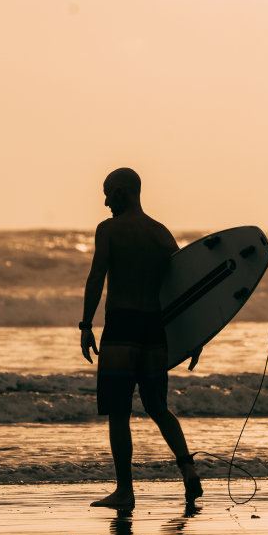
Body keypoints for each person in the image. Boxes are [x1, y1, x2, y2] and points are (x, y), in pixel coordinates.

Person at [79, 167, 204, 508]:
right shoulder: (161, 234)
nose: (105, 202)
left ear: (120, 191)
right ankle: (188, 468)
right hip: (154, 329)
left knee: (119, 413)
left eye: (107, 193)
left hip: (121, 329)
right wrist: (196, 335)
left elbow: (96, 277)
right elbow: (183, 291)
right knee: (159, 407)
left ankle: (125, 492)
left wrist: (86, 324)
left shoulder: (109, 230)